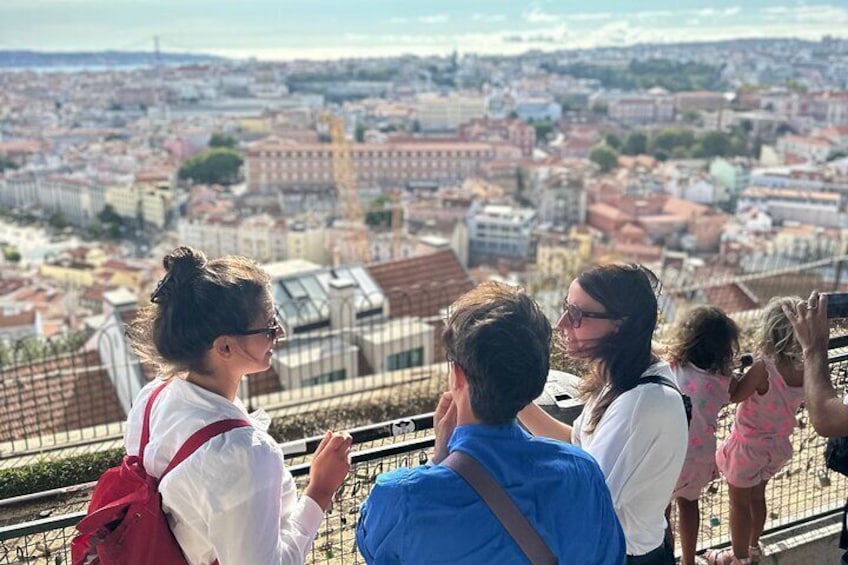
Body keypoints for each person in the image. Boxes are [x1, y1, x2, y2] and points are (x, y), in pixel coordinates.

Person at [355, 281, 625, 564]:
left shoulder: (401, 498)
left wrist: (439, 460)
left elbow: (373, 547)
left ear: (458, 376)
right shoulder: (581, 472)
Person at [124, 246, 352, 565]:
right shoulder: (242, 455)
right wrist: (320, 491)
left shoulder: (153, 397)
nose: (280, 333)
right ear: (226, 346)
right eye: (269, 327)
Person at [517, 263, 688, 564]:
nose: (562, 323)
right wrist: (516, 402)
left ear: (620, 324)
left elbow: (587, 499)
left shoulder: (640, 405)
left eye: (578, 315)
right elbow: (577, 443)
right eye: (566, 308)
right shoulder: (626, 380)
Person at [706, 297, 806, 565]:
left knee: (738, 504)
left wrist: (730, 374)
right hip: (777, 447)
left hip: (749, 447)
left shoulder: (766, 366)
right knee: (757, 497)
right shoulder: (806, 367)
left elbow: (737, 395)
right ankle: (752, 548)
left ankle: (738, 559)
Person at [663, 305, 742, 565]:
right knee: (689, 504)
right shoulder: (722, 382)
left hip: (670, 455)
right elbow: (738, 391)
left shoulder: (671, 367)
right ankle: (688, 560)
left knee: (661, 510)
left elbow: (658, 350)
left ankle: (665, 556)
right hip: (699, 458)